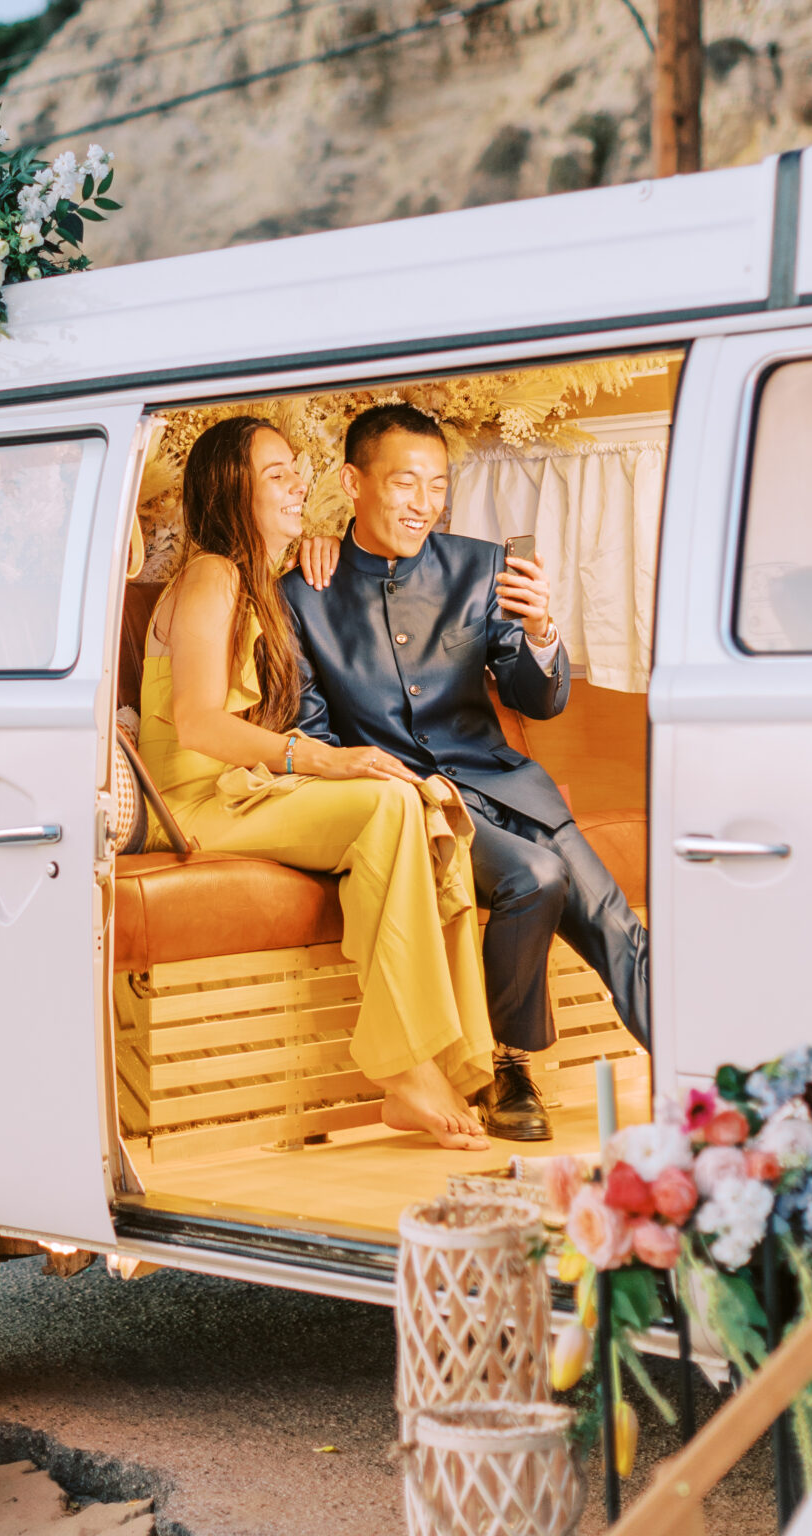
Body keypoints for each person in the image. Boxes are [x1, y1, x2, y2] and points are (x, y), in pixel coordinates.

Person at [283, 401, 650, 1144]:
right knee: (535, 878)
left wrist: (543, 630)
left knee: (619, 928)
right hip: (417, 802)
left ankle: (711, 1077)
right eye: (405, 483)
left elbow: (537, 700)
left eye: (438, 484)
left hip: (509, 786)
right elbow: (314, 729)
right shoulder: (302, 592)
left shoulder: (482, 567)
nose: (426, 503)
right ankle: (505, 1065)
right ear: (353, 483)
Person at [138, 414, 494, 1151]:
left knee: (423, 800)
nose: (299, 482)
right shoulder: (212, 574)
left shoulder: (258, 580)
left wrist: (315, 545)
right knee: (386, 801)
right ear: (232, 489)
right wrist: (325, 759)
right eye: (277, 474)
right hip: (197, 804)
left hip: (242, 790)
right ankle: (406, 1069)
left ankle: (445, 1050)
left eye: (296, 468)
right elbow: (200, 723)